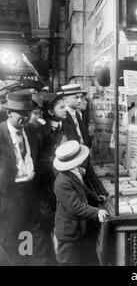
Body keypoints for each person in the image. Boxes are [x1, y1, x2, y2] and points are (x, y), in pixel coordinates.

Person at [53, 140, 109, 266]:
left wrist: (95, 197)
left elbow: (83, 190)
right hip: (69, 233)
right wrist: (97, 211)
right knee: (68, 262)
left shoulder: (75, 172)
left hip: (78, 230)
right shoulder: (62, 182)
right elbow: (75, 207)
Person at [0, 90, 39, 265]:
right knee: (9, 239)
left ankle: (26, 261)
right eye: (21, 114)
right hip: (7, 196)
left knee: (28, 235)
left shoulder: (31, 131)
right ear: (9, 113)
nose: (25, 118)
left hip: (30, 193)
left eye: (28, 114)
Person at [35, 92, 68, 265]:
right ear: (50, 111)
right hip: (45, 190)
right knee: (45, 230)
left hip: (57, 189)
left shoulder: (61, 130)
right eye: (61, 107)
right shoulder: (41, 134)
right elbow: (38, 165)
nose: (65, 109)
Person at [60, 83, 108, 200]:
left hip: (83, 156)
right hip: (73, 160)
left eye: (80, 97)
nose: (79, 100)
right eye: (76, 97)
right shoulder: (63, 117)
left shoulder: (78, 114)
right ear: (65, 100)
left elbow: (82, 136)